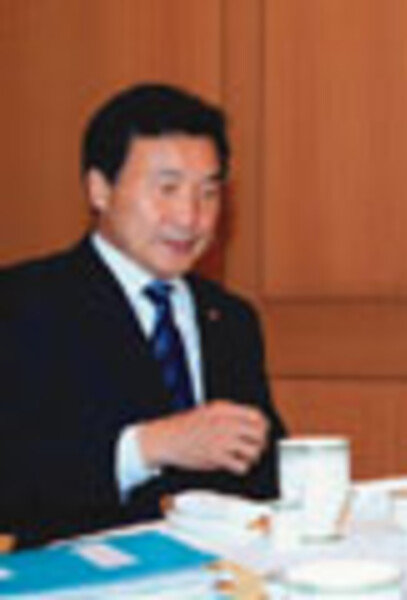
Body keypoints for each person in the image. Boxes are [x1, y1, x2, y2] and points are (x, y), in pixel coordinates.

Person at [0, 83, 286, 548]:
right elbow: (14, 478)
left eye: (208, 193)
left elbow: (264, 474)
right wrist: (147, 447)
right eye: (167, 189)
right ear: (100, 189)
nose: (190, 217)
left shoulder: (231, 319)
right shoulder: (23, 304)